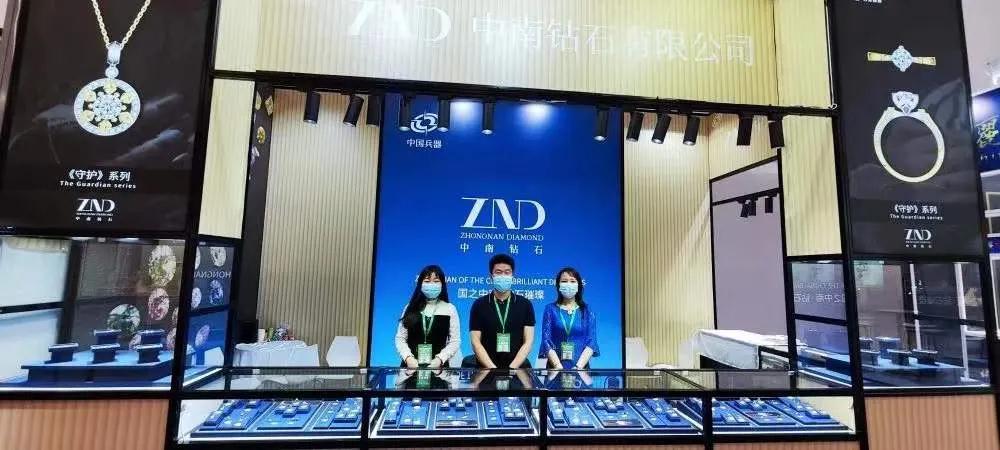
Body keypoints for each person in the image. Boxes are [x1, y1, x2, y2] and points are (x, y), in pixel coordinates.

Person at [469, 254, 535, 369]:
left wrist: (512, 368)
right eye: (498, 272)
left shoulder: (525, 304)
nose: (503, 276)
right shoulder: (479, 305)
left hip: (517, 370)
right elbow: (475, 342)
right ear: (491, 276)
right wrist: (492, 369)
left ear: (512, 276)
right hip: (486, 369)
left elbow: (528, 341)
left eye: (507, 272)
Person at [394, 265, 460, 368]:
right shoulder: (410, 307)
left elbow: (455, 341)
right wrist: (408, 358)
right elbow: (400, 338)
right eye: (427, 281)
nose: (432, 284)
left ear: (442, 285)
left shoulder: (450, 309)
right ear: (420, 284)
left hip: (439, 369)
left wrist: (439, 359)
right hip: (410, 368)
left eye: (436, 281)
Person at [539, 267, 598, 369]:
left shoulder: (586, 310)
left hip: (581, 369)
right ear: (558, 285)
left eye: (572, 281)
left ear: (578, 285)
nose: (568, 284)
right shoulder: (550, 309)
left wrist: (578, 368)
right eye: (564, 281)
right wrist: (558, 367)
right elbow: (546, 340)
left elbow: (591, 342)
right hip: (555, 368)